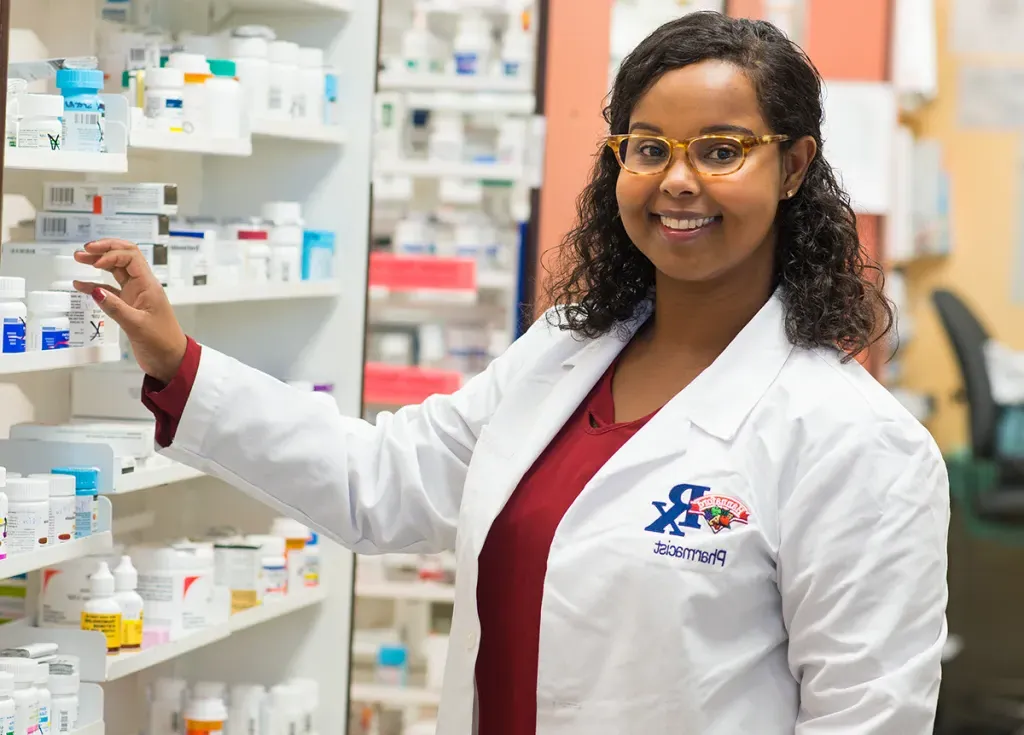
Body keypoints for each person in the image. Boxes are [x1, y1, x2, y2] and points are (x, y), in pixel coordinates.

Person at [74, 12, 948, 735]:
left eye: (721, 150)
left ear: (793, 166)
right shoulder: (565, 351)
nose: (678, 181)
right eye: (648, 148)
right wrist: (177, 362)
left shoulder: (856, 445)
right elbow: (382, 479)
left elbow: (864, 721)